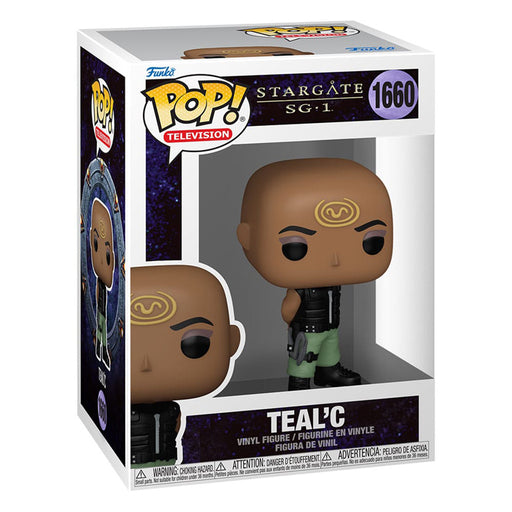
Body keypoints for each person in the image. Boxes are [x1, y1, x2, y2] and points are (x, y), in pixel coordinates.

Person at [237, 158, 393, 391]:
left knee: (331, 348)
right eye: (295, 247)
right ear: (247, 238)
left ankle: (329, 371)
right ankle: (299, 380)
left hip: (330, 325)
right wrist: (292, 321)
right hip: (307, 329)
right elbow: (288, 309)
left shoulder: (333, 285)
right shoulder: (302, 289)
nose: (335, 260)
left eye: (372, 242)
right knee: (304, 355)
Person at [130, 265, 241, 467]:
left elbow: (175, 427)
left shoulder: (171, 409)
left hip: (167, 461)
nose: (146, 364)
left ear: (232, 341)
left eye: (194, 344)